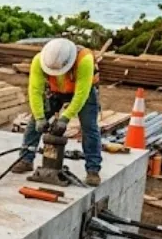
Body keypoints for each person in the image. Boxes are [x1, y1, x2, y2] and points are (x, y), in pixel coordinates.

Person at [13, 38, 102, 186]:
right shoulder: (39, 60)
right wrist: (40, 117)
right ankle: (26, 159)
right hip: (55, 90)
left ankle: (93, 170)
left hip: (83, 92)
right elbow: (35, 91)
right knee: (34, 123)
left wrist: (65, 118)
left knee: (89, 127)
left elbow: (81, 94)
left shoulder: (84, 60)